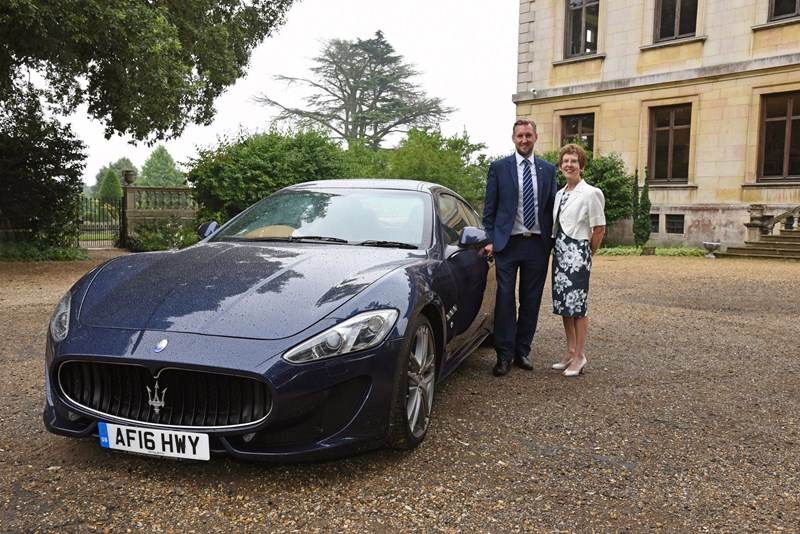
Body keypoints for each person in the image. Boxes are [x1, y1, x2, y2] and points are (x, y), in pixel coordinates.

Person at [482, 119, 557, 376]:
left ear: (536, 137)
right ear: (513, 139)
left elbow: (551, 210)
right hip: (507, 244)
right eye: (519, 136)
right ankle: (503, 354)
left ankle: (522, 351)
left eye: (528, 135)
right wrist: (490, 239)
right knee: (504, 299)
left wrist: (554, 241)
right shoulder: (499, 168)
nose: (524, 140)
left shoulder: (548, 170)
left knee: (531, 299)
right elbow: (489, 210)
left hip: (537, 244)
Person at [550, 143, 606, 377]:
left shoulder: (591, 193)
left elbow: (599, 228)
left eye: (574, 161)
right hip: (560, 253)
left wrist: (586, 255)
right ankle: (570, 350)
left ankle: (580, 356)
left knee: (578, 306)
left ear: (581, 166)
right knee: (564, 305)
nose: (569, 165)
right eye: (565, 161)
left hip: (578, 254)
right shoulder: (560, 194)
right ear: (560, 165)